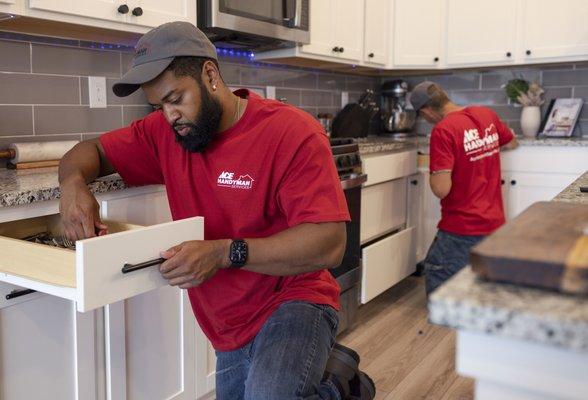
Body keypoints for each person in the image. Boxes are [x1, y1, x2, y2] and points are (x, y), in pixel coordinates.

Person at [58, 22, 375, 400]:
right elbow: (89, 152)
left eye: (176, 98)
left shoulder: (291, 132)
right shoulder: (165, 132)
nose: (169, 115)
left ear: (210, 75)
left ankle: (340, 387)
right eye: (159, 106)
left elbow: (329, 243)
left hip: (295, 298)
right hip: (227, 322)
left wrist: (224, 252)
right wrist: (72, 184)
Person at [409, 81, 518, 294]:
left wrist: (433, 169)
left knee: (438, 275)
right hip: (493, 224)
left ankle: (444, 326)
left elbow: (441, 189)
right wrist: (479, 152)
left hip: (461, 228)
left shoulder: (443, 130)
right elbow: (511, 142)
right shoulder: (486, 115)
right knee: (479, 285)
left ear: (427, 111)